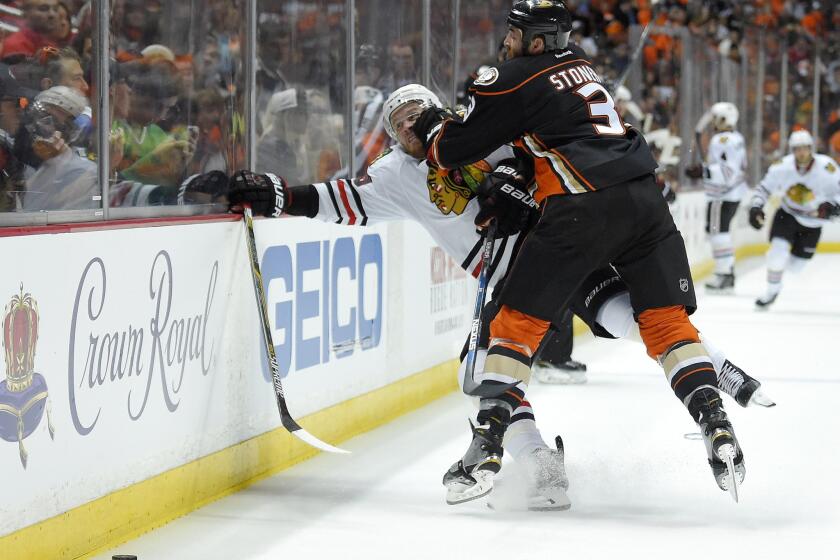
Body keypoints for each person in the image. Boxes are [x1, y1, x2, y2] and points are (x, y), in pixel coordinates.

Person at [225, 82, 768, 508]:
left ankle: (719, 372)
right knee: (487, 366)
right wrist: (276, 195)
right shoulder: (394, 175)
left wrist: (515, 181)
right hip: (514, 271)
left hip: (556, 249)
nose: (411, 124)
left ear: (441, 113)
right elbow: (343, 201)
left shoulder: (481, 133)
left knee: (627, 319)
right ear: (393, 136)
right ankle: (541, 469)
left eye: (418, 112)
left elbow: (548, 159)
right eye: (400, 121)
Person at [411, 0, 748, 503]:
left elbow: (450, 151)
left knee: (514, 324)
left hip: (582, 204)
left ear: (538, 40)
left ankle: (488, 442)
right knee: (665, 323)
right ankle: (715, 421)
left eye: (515, 31)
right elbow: (553, 133)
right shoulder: (583, 67)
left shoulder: (511, 75)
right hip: (644, 199)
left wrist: (438, 130)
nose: (507, 39)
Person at [749, 130, 840, 309]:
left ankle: (779, 276)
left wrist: (833, 206)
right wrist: (756, 207)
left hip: (814, 222)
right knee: (777, 253)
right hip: (787, 214)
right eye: (797, 149)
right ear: (792, 150)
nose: (801, 152)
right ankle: (771, 292)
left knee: (796, 266)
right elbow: (764, 188)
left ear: (811, 148)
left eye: (805, 148)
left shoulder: (827, 168)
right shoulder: (782, 166)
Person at [686, 101, 748, 292]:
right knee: (721, 233)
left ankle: (724, 275)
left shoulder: (721, 140)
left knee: (718, 234)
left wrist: (704, 172)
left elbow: (727, 172)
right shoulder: (736, 138)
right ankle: (726, 273)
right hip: (734, 194)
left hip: (722, 195)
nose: (713, 122)